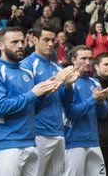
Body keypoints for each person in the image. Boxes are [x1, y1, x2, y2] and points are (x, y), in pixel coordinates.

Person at [0, 27, 60, 175]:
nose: (20, 45)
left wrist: (43, 93)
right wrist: (33, 93)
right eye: (14, 42)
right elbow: (0, 107)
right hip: (5, 145)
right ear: (0, 45)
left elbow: (34, 109)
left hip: (30, 142)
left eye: (22, 41)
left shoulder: (27, 71)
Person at [20, 27, 79, 176]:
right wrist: (57, 81)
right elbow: (28, 101)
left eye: (52, 40)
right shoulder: (26, 66)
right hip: (38, 133)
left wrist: (68, 86)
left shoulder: (57, 67)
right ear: (34, 40)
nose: (50, 44)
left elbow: (65, 103)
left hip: (58, 132)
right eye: (45, 40)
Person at [64, 45, 108, 176]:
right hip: (73, 142)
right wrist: (93, 99)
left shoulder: (95, 82)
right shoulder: (68, 82)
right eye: (83, 58)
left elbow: (102, 115)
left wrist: (100, 102)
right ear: (73, 60)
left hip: (93, 140)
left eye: (90, 59)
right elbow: (71, 113)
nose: (88, 62)